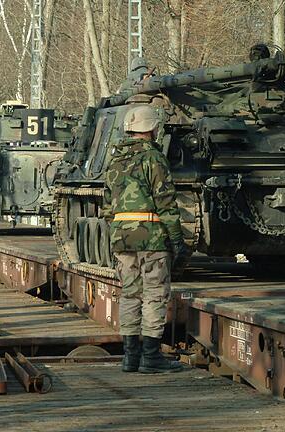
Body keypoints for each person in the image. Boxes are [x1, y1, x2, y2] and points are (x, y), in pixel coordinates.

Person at [104, 104, 187, 374]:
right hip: (151, 237)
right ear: (151, 129)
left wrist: (117, 231)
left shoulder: (114, 160)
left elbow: (107, 205)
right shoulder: (154, 158)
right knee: (153, 295)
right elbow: (166, 202)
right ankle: (151, 357)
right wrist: (177, 239)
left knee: (130, 294)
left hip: (121, 236)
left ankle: (130, 357)